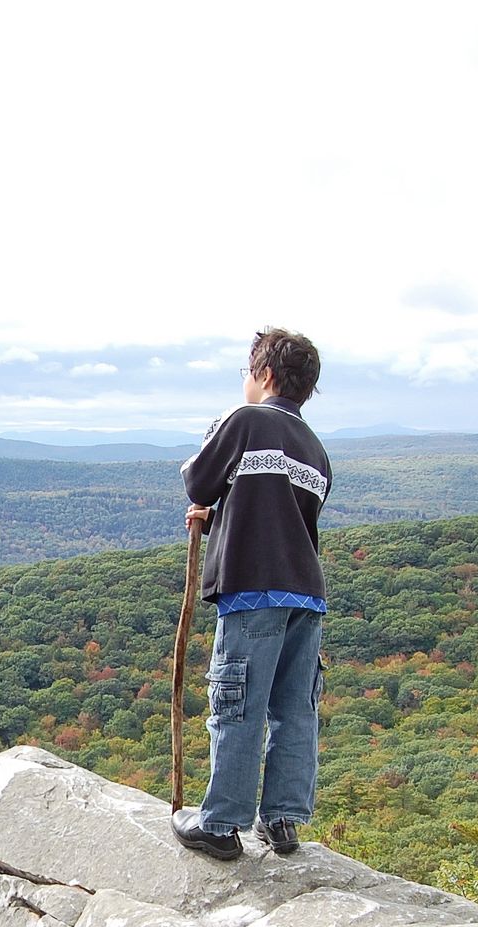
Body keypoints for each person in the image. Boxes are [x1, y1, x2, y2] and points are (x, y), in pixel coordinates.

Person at [172, 328, 331, 862]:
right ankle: (282, 820)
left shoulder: (247, 420)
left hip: (253, 592)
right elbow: (280, 517)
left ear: (263, 375)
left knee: (237, 703)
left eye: (247, 371)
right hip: (304, 594)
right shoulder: (315, 448)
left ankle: (221, 824)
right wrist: (221, 517)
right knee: (294, 708)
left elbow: (198, 478)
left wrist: (207, 504)